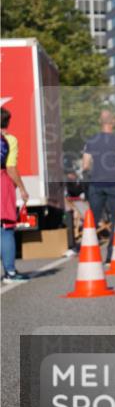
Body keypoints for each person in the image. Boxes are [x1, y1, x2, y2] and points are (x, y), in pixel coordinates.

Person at [82, 110, 115, 265]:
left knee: (92, 220)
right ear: (113, 121)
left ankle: (89, 254)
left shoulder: (91, 141)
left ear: (99, 122)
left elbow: (85, 165)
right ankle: (111, 256)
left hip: (96, 184)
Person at [1, 108, 30, 282]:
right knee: (6, 229)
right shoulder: (9, 140)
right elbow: (11, 168)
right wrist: (22, 188)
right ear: (7, 122)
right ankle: (10, 272)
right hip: (1, 182)